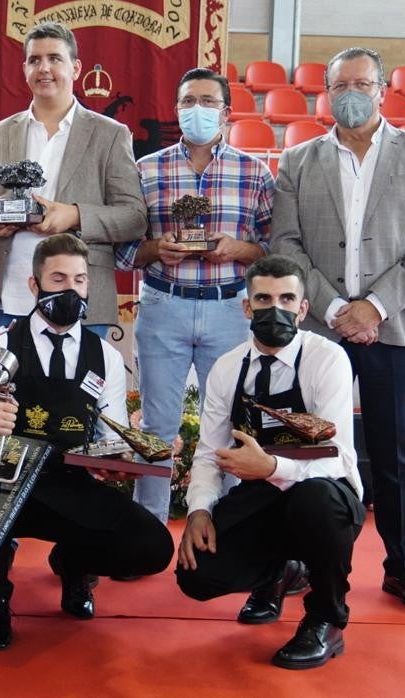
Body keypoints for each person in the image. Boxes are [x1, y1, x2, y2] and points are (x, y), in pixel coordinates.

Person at [270, 47, 405, 614]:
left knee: (394, 453)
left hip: (394, 328)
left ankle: (402, 566)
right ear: (324, 92)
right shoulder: (297, 160)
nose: (352, 92)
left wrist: (373, 306)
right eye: (340, 84)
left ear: (381, 91)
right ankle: (296, 562)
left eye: (362, 83)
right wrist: (332, 308)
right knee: (301, 445)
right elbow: (287, 244)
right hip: (318, 328)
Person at [0, 233, 174, 650]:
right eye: (58, 279)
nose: (70, 290)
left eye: (79, 280)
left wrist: (118, 458)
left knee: (153, 546)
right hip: (1, 478)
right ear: (34, 285)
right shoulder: (0, 342)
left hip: (68, 482)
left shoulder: (106, 356)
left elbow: (109, 432)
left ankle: (72, 564)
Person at [176, 255, 364, 670]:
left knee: (315, 501)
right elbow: (209, 452)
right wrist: (199, 511)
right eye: (263, 298)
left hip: (326, 492)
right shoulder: (228, 368)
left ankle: (326, 620)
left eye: (286, 299)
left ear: (302, 308)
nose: (274, 308)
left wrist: (274, 468)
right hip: (261, 493)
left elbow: (338, 457)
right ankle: (278, 574)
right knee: (196, 575)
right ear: (247, 307)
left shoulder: (327, 359)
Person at [117, 67, 274, 523]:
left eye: (207, 102)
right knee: (155, 426)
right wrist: (155, 249)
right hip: (163, 304)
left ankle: (218, 521)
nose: (197, 110)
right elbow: (125, 250)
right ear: (176, 109)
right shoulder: (145, 169)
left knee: (224, 424)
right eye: (188, 102)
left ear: (226, 112)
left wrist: (236, 248)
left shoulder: (254, 171)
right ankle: (147, 525)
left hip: (229, 309)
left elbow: (273, 248)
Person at [0, 21, 146, 335]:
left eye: (55, 59)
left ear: (76, 68)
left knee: (72, 387)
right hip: (5, 302)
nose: (44, 68)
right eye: (35, 60)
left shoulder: (110, 134)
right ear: (25, 69)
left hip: (80, 302)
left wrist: (74, 215)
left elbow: (135, 218)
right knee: (3, 387)